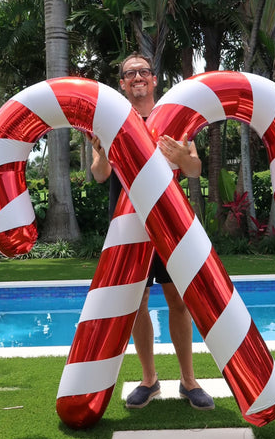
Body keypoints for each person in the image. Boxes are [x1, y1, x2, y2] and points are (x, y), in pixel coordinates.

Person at [90, 52, 215, 411]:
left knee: (179, 299)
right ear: (122, 84)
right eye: (130, 74)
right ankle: (149, 380)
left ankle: (188, 381)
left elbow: (194, 170)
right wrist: (101, 155)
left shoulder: (175, 118)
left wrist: (181, 157)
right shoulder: (110, 122)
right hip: (129, 227)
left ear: (154, 79)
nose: (138, 78)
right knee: (137, 303)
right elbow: (99, 175)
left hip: (169, 224)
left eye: (144, 71)